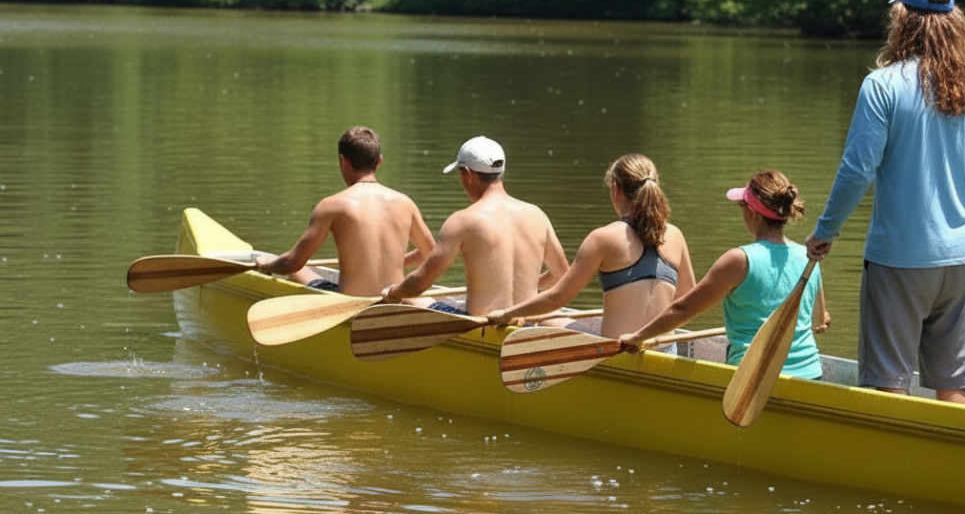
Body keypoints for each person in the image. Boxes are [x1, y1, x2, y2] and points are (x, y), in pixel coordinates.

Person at [806, 0, 965, 404]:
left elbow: (857, 169)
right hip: (963, 259)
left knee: (887, 381)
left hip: (900, 259)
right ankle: (953, 469)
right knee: (954, 382)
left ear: (902, 17)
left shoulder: (882, 85)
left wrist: (825, 231)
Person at [620, 171, 830, 379]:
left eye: (741, 206)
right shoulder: (808, 257)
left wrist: (636, 337)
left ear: (753, 212)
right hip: (810, 374)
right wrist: (822, 317)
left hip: (751, 381)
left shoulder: (739, 260)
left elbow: (683, 310)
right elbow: (821, 319)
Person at [485, 154, 696, 344]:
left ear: (616, 190)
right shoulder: (675, 235)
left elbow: (558, 297)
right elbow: (688, 299)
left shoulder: (603, 238)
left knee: (547, 317)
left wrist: (507, 313)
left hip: (618, 352)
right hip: (666, 350)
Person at [380, 136, 569, 316]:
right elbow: (562, 276)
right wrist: (529, 285)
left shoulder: (463, 221)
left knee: (409, 300)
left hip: (484, 324)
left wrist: (394, 292)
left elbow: (420, 283)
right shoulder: (537, 215)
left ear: (467, 174)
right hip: (527, 323)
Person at [255, 126, 435, 297]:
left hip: (349, 302)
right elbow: (431, 255)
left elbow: (292, 263)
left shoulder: (331, 205)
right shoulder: (405, 203)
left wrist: (265, 265)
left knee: (298, 270)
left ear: (344, 161)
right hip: (392, 299)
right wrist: (397, 262)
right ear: (379, 161)